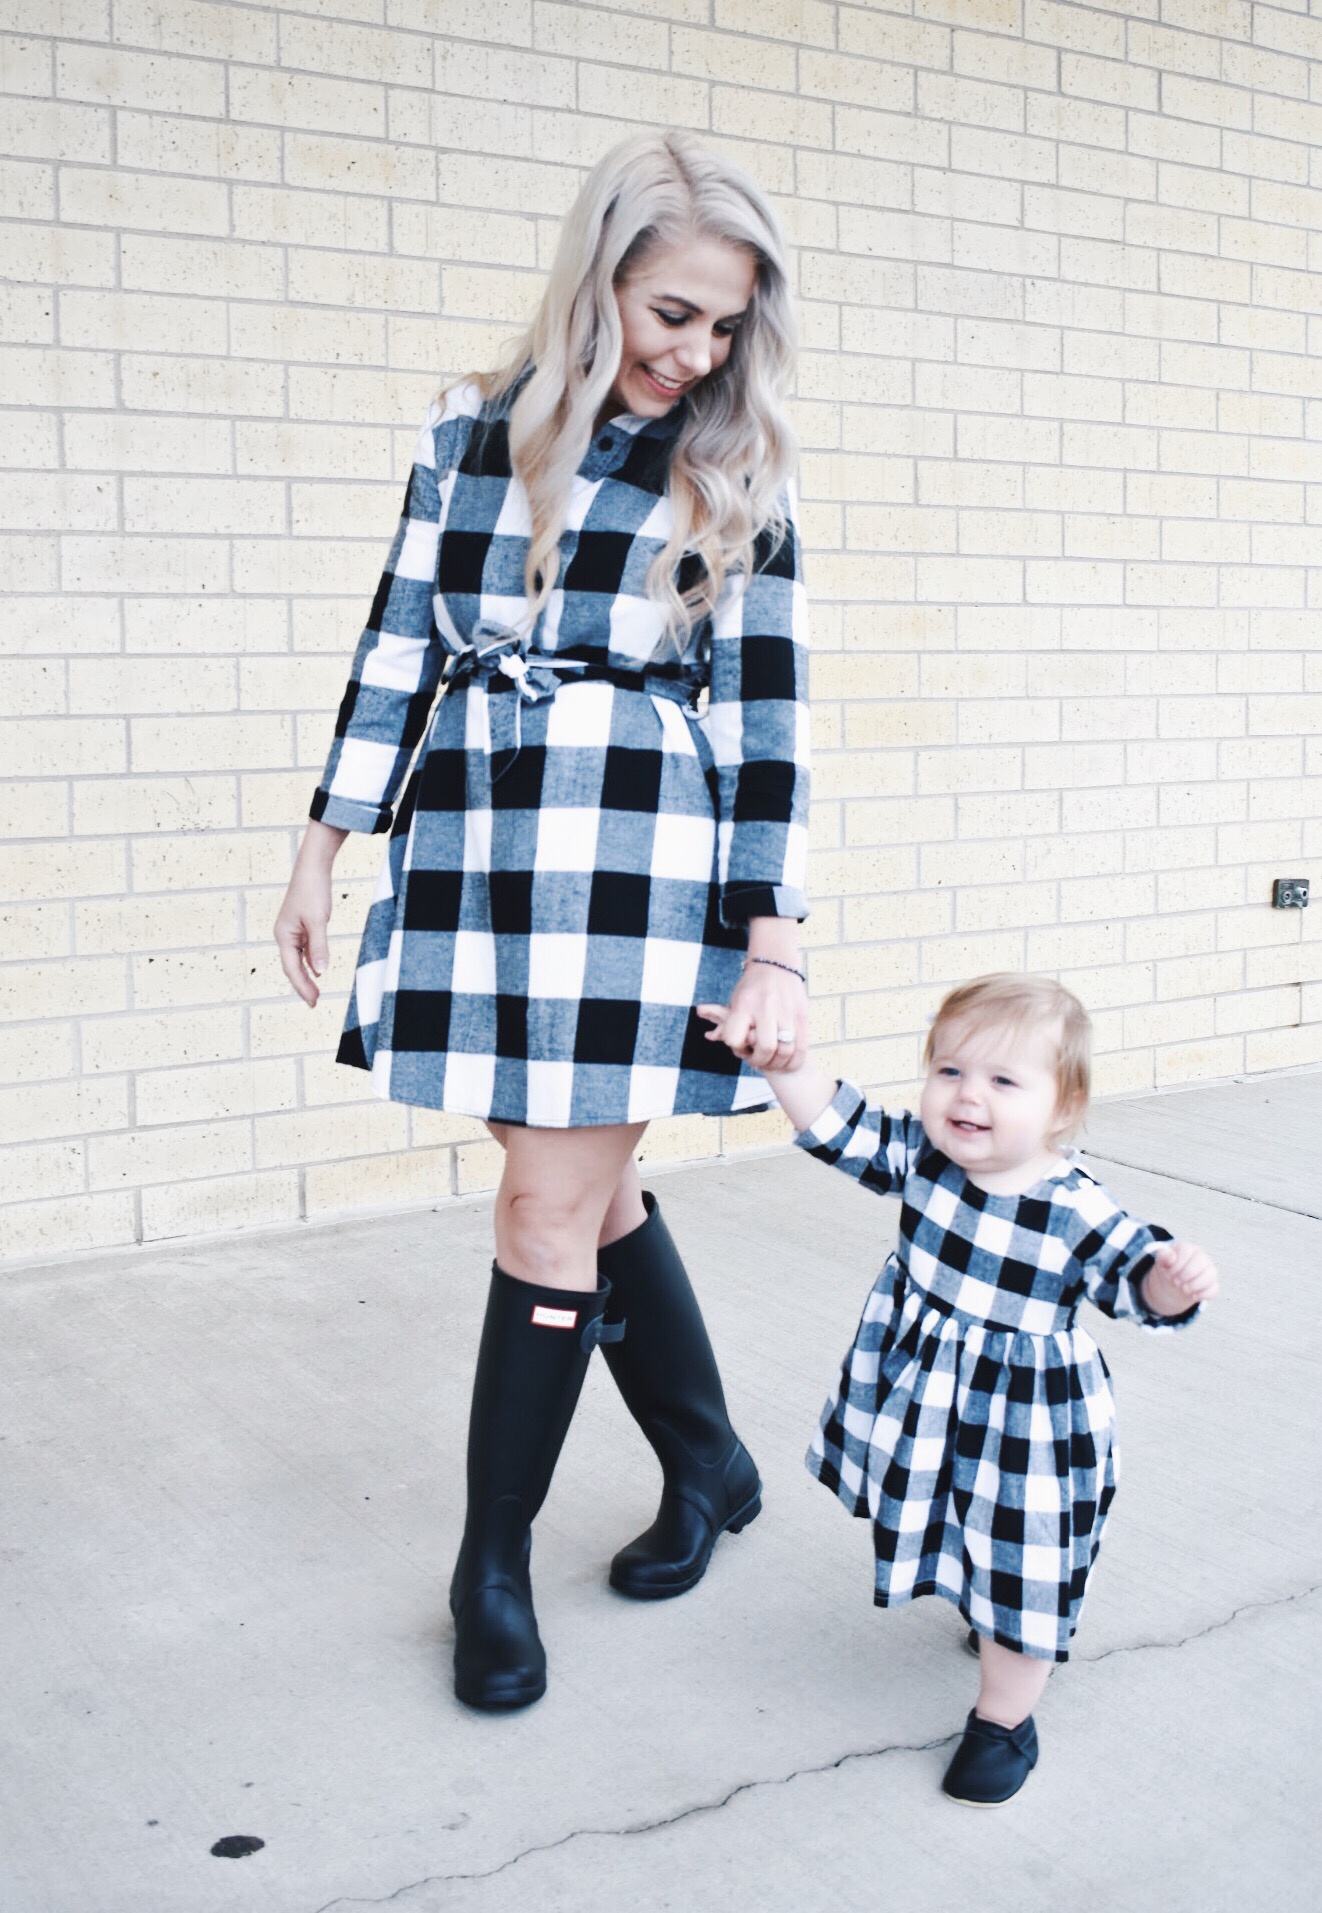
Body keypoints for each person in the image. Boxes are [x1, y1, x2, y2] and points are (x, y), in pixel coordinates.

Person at [273, 131, 810, 1713]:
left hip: (646, 863)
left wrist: (769, 932)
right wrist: (323, 845)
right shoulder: (467, 434)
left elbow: (767, 718)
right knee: (589, 1189)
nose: (695, 355)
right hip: (477, 850)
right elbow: (395, 646)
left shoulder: (738, 463)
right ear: (596, 287)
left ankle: (488, 1568)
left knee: (540, 1214)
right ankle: (708, 1460)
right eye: (668, 315)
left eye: (722, 326)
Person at [700, 973, 1218, 1804]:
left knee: (1020, 1561)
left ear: (1061, 1106)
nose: (968, 1095)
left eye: (1004, 1080)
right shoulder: (927, 1161)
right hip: (929, 1405)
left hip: (1030, 1424)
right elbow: (841, 1123)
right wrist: (778, 1058)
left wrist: (1172, 1280)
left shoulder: (1075, 1209)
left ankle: (1004, 1719)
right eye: (950, 1070)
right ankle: (982, 1608)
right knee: (948, 1515)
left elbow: (1133, 1281)